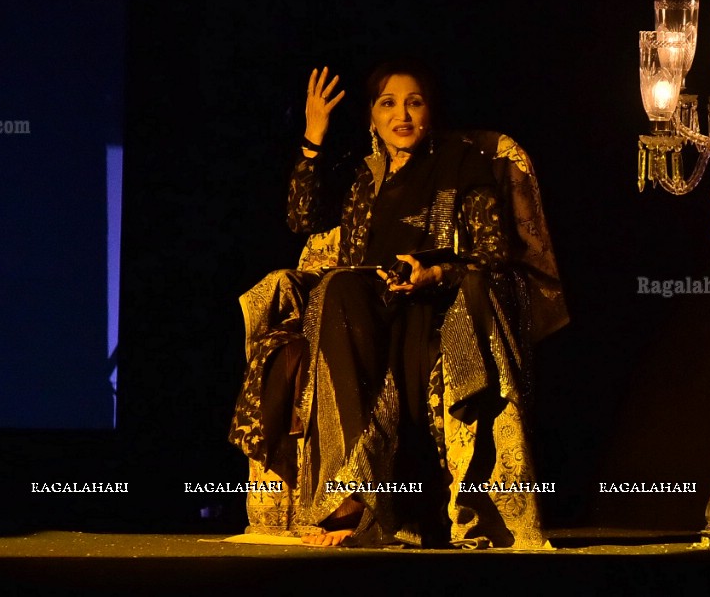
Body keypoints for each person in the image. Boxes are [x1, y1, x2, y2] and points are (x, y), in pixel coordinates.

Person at [229, 59, 563, 548]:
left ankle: (363, 504)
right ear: (371, 116)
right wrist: (313, 137)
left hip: (435, 300)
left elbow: (492, 253)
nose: (401, 114)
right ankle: (351, 496)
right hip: (362, 298)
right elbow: (302, 218)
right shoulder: (361, 174)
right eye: (387, 103)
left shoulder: (463, 163)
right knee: (338, 290)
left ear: (431, 111)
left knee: (343, 296)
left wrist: (435, 272)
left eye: (414, 102)